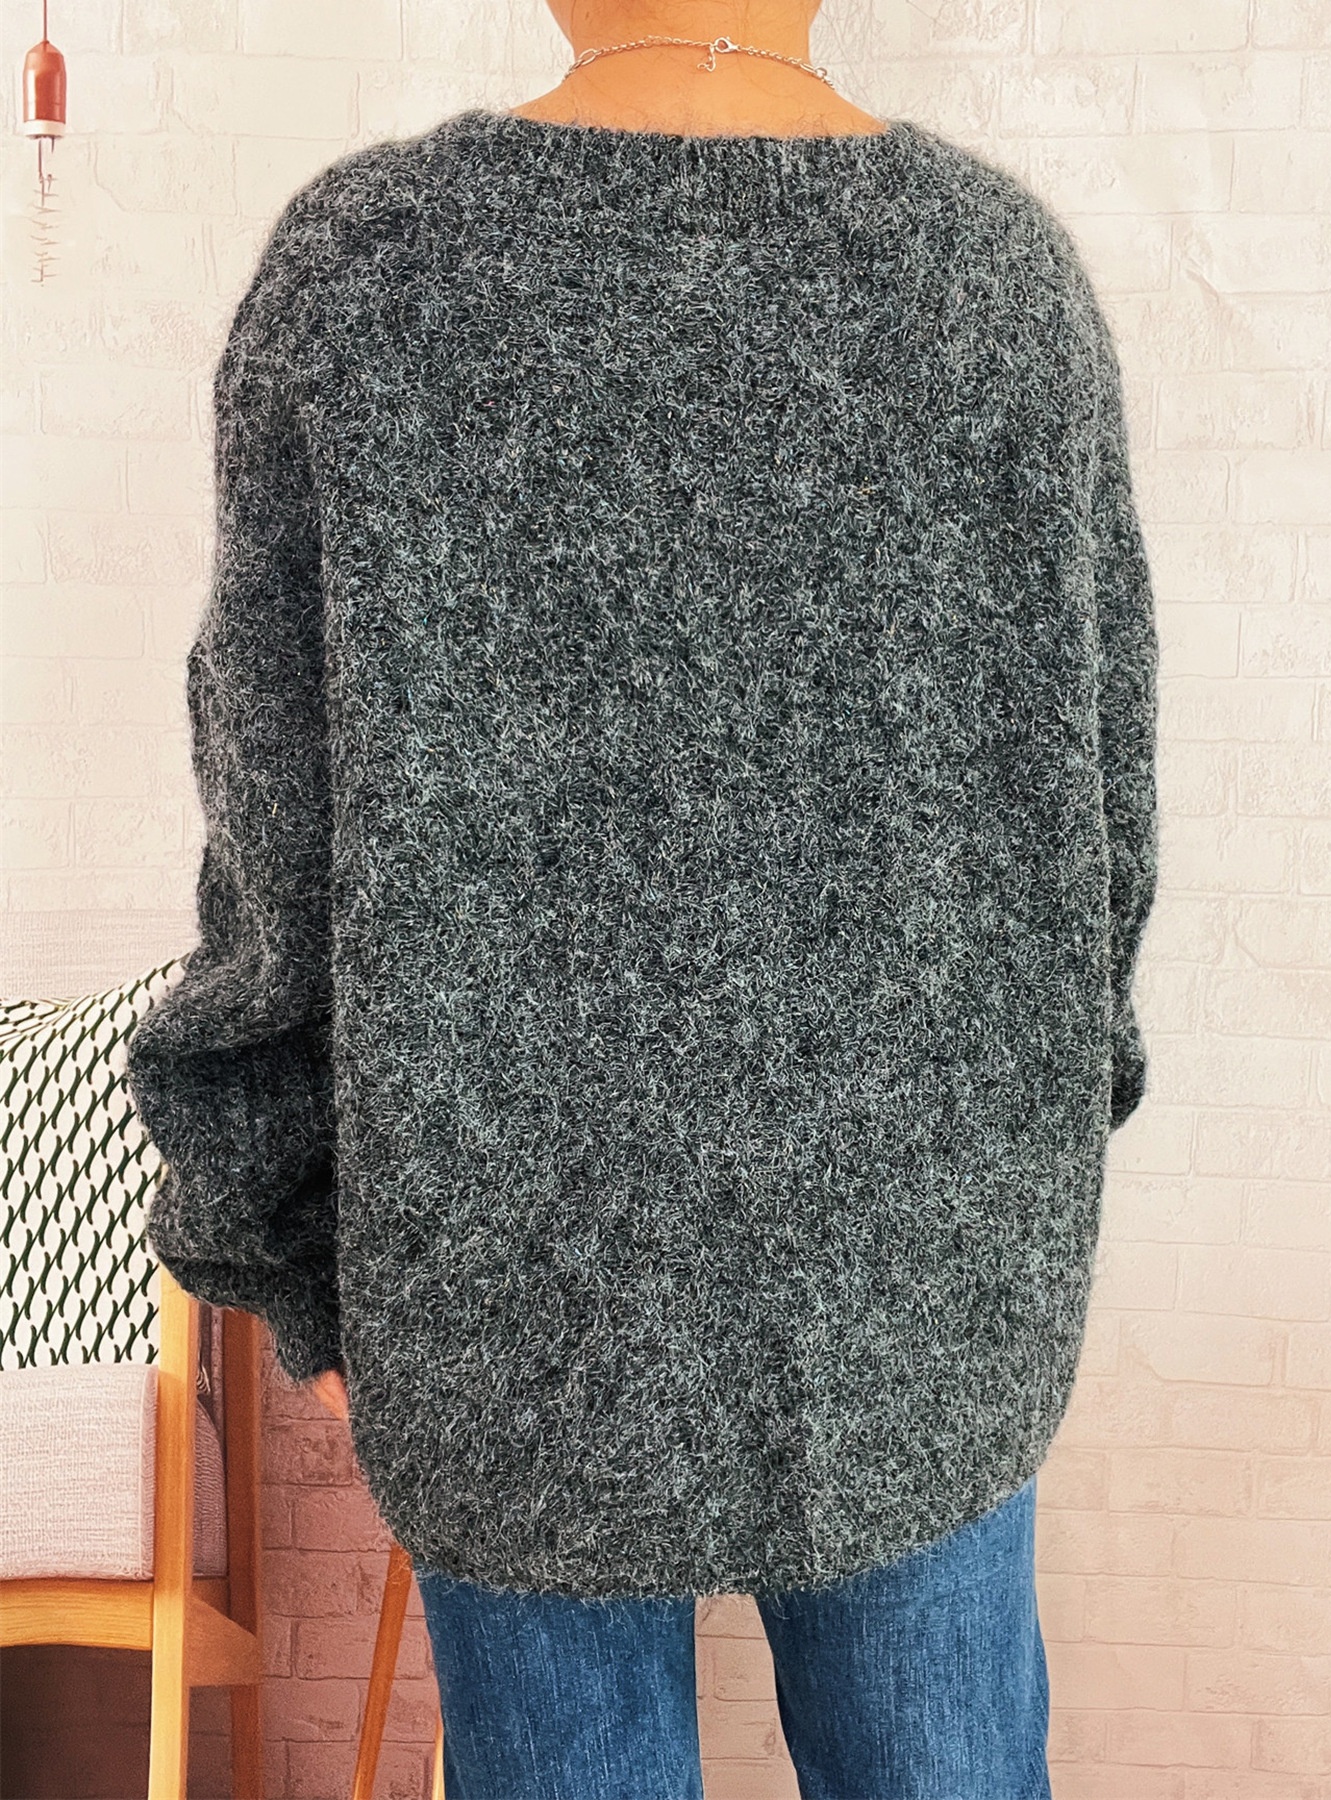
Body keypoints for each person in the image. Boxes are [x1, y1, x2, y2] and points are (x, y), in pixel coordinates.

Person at [124, 0, 1160, 1792]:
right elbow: (1097, 823)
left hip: (504, 1274)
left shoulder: (367, 274)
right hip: (918, 1271)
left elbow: (274, 826)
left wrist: (282, 1236)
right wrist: (1023, 1168)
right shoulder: (1001, 283)